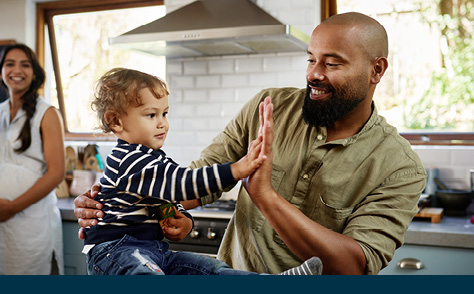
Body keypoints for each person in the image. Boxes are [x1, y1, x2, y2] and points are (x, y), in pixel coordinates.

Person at [75, 12, 427, 275]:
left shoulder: (399, 167)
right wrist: (115, 200)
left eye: (332, 63)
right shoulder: (269, 105)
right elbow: (188, 185)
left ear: (376, 71)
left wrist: (265, 196)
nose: (314, 74)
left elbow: (351, 266)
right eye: (311, 59)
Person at [82, 68, 321, 276]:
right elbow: (182, 183)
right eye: (151, 115)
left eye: (165, 114)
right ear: (115, 122)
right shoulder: (128, 159)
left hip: (153, 251)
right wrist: (236, 169)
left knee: (213, 270)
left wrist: (183, 219)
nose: (162, 123)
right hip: (116, 251)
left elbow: (166, 198)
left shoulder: (151, 158)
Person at [0, 43, 65, 274]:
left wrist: (14, 207)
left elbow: (56, 174)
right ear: (0, 73)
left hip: (28, 224)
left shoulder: (47, 113)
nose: (17, 70)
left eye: (25, 65)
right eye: (10, 64)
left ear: (34, 73)